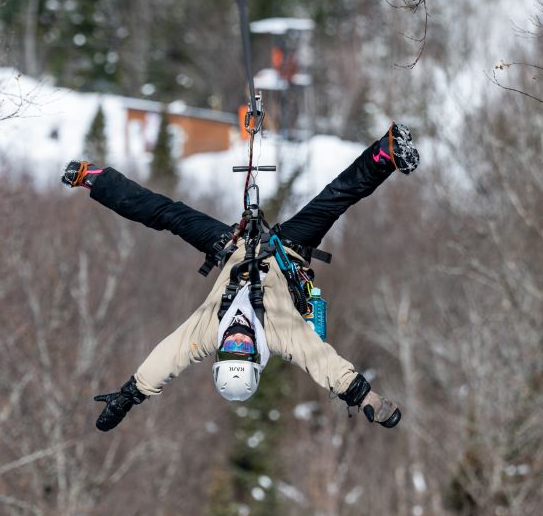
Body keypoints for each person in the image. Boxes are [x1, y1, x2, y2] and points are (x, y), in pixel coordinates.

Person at [62, 123, 419, 432]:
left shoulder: (207, 332)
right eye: (243, 348)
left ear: (220, 354)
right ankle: (386, 150)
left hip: (232, 249)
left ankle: (92, 178)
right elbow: (325, 365)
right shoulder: (282, 334)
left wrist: (128, 397)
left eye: (230, 347)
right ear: (255, 355)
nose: (236, 337)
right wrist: (370, 399)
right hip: (285, 251)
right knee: (332, 201)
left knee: (168, 214)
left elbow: (166, 360)